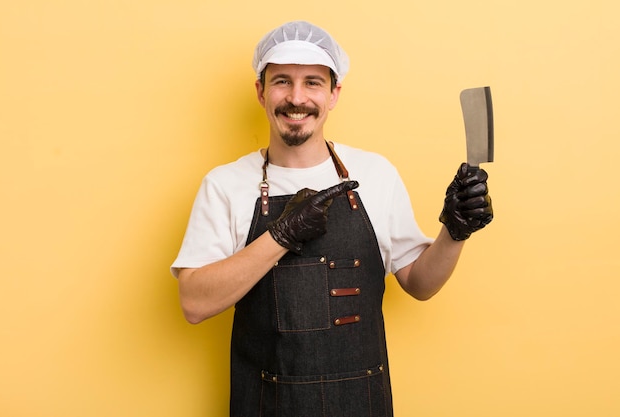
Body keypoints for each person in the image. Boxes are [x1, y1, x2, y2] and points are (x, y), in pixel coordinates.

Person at [171, 20, 493, 417]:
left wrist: (455, 232)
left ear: (334, 93)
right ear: (261, 91)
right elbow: (193, 303)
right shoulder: (226, 185)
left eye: (312, 82)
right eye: (282, 81)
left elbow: (420, 285)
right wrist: (281, 236)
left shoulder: (375, 173)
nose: (296, 98)